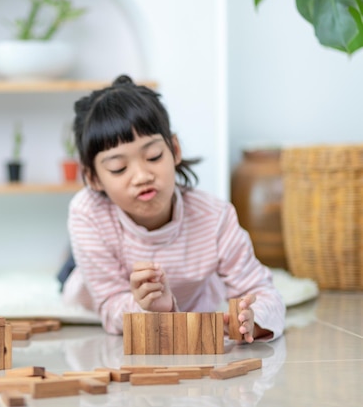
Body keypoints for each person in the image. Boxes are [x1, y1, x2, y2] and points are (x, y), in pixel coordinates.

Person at [60, 75, 285, 342]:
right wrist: (151, 308)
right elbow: (109, 305)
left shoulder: (215, 217)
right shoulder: (87, 213)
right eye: (118, 168)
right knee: (69, 276)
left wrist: (253, 319)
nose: (142, 175)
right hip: (103, 271)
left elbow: (262, 291)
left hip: (187, 287)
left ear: (174, 149)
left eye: (153, 156)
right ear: (94, 178)